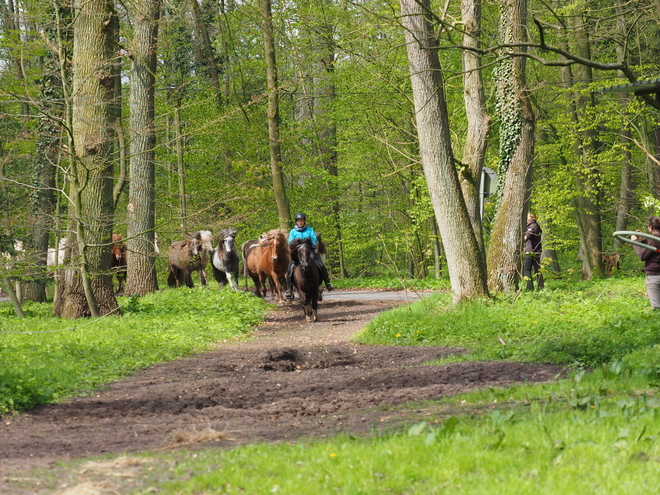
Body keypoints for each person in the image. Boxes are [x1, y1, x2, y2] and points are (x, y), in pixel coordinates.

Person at [284, 212, 334, 299]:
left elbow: (314, 240)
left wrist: (309, 244)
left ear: (304, 221)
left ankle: (327, 283)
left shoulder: (310, 230)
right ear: (296, 222)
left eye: (302, 220)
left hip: (309, 251)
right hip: (297, 252)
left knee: (320, 264)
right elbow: (290, 242)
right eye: (299, 221)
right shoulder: (293, 231)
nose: (300, 222)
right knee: (290, 268)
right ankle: (289, 289)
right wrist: (300, 243)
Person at [631, 216, 660, 311]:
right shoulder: (655, 240)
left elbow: (643, 256)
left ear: (650, 227)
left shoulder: (655, 239)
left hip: (655, 276)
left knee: (657, 309)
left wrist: (635, 242)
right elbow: (656, 250)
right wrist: (643, 239)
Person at [523, 213, 544, 290]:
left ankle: (529, 287)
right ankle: (540, 286)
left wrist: (523, 237)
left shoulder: (532, 226)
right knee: (537, 269)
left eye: (527, 217)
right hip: (537, 250)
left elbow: (527, 236)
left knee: (527, 269)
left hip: (531, 251)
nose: (526, 219)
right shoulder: (536, 226)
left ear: (532, 218)